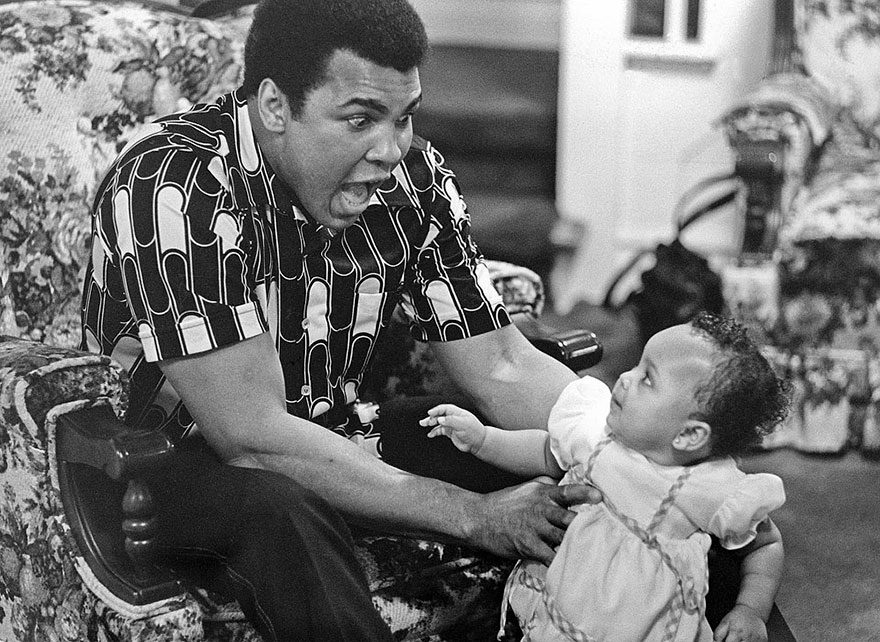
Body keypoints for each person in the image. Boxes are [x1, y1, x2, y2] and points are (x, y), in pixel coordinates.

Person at [79, 0, 599, 639]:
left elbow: (502, 363)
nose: (391, 150)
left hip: (337, 432)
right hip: (167, 469)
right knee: (282, 507)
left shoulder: (411, 179)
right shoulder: (176, 184)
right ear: (275, 106)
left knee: (577, 469)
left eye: (404, 117)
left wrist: (622, 446)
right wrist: (471, 513)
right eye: (360, 119)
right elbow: (251, 438)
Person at [421, 312, 789, 642]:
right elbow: (544, 453)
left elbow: (766, 545)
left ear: (689, 435)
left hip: (647, 627)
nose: (626, 378)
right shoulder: (596, 431)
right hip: (561, 607)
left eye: (647, 379)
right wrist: (484, 439)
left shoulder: (713, 488)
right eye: (636, 365)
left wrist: (751, 609)